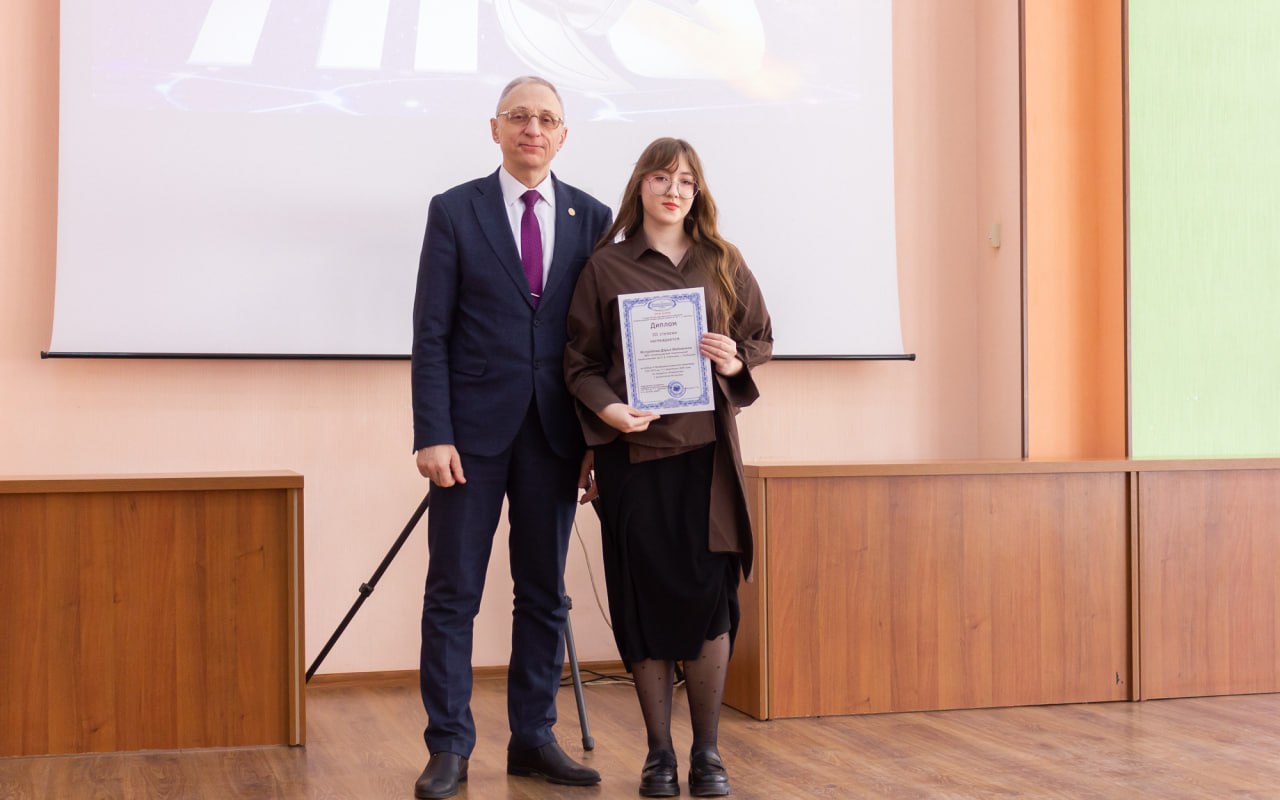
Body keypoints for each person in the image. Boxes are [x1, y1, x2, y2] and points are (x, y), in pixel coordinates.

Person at [410, 75, 613, 800]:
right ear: (494, 128)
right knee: (453, 592)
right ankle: (449, 745)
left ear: (563, 135)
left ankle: (532, 738)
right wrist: (432, 432)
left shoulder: (593, 217)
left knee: (544, 594)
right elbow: (431, 332)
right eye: (519, 117)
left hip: (555, 436)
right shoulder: (454, 210)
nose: (534, 129)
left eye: (547, 119)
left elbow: (599, 343)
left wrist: (596, 441)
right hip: (468, 437)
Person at [564, 137, 773, 797]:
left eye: (685, 180)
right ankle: (659, 755)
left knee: (710, 600)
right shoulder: (606, 265)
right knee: (642, 603)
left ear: (697, 191)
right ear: (641, 187)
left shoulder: (723, 260)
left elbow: (760, 338)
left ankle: (707, 753)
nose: (672, 190)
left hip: (707, 461)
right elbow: (579, 363)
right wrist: (609, 409)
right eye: (660, 178)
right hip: (632, 461)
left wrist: (733, 359)